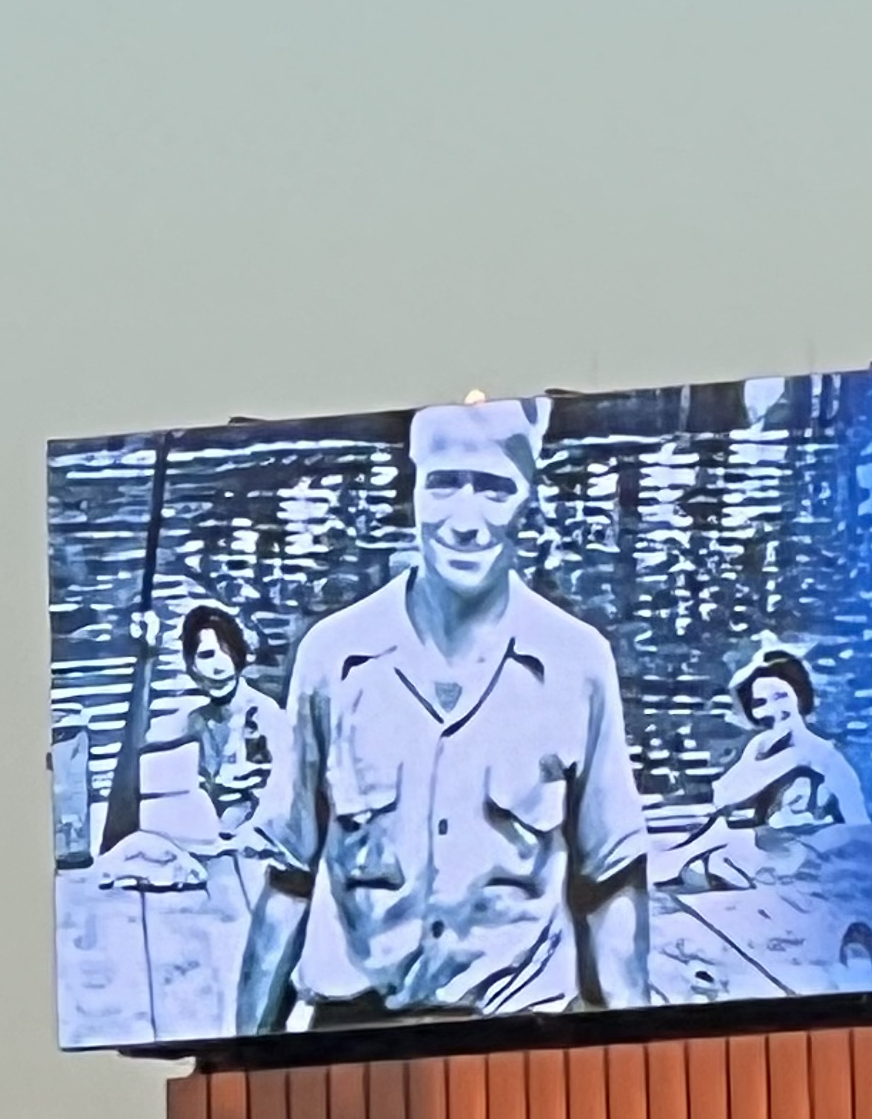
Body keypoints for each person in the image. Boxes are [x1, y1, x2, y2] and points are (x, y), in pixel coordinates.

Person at [235, 398, 651, 1032]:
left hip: (521, 1029)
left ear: (528, 503)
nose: (464, 520)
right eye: (444, 485)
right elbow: (288, 879)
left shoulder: (578, 664)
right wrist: (241, 1057)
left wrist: (633, 1057)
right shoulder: (333, 657)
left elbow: (611, 885)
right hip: (356, 1032)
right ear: (414, 496)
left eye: (492, 489)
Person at [656, 644, 869, 890]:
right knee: (722, 833)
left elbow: (860, 831)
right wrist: (794, 758)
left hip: (807, 856)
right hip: (767, 845)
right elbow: (725, 796)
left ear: (800, 696)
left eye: (780, 697)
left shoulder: (828, 760)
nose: (771, 711)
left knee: (731, 843)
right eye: (760, 702)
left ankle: (671, 867)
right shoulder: (763, 745)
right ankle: (671, 865)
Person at [139, 606, 285, 835]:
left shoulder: (263, 714)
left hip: (258, 840)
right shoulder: (197, 722)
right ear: (192, 666)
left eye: (227, 651)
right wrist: (146, 658)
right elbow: (147, 745)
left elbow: (284, 793)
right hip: (211, 837)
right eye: (207, 655)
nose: (219, 666)